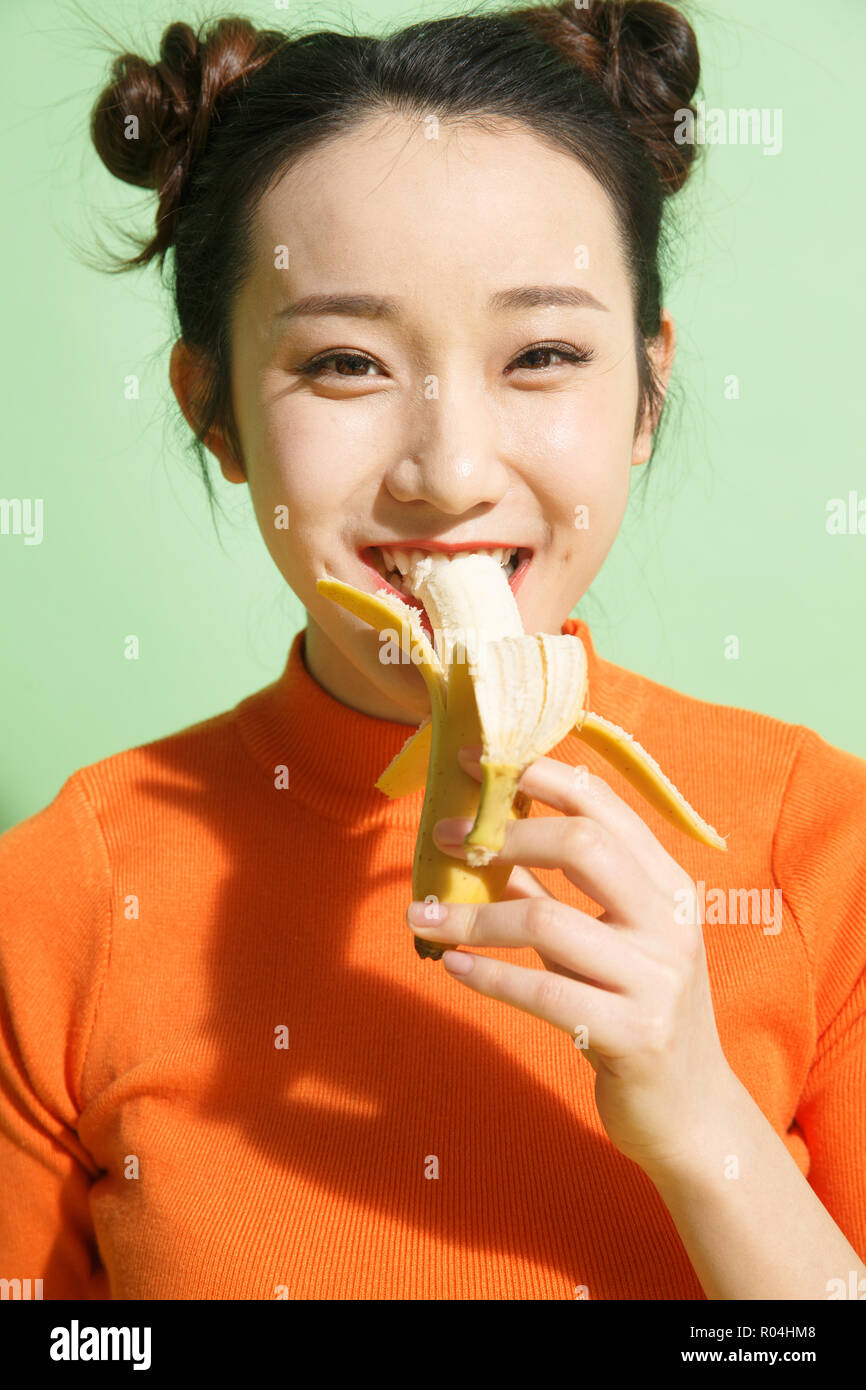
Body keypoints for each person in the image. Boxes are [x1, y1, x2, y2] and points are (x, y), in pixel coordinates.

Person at [1, 1, 864, 1302]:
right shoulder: (59, 893)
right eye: (345, 362)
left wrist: (702, 1128)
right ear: (214, 410)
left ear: (644, 391)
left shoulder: (824, 849)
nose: (450, 472)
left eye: (543, 354)